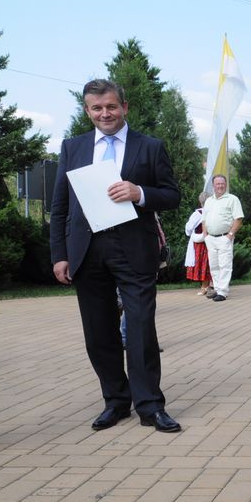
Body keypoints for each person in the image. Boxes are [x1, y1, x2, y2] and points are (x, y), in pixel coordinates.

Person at [50, 78, 182, 433]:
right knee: (99, 334)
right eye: (97, 108)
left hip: (134, 250)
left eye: (111, 106)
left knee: (140, 330)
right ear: (87, 111)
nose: (105, 113)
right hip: (86, 251)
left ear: (124, 106)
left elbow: (172, 195)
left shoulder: (150, 147)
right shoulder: (73, 147)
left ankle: (150, 406)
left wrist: (140, 193)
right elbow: (59, 206)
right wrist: (59, 255)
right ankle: (116, 401)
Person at [202, 174, 244, 302]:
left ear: (225, 185)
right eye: (217, 184)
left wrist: (230, 235)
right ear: (213, 186)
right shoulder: (208, 201)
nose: (220, 186)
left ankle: (223, 292)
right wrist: (205, 236)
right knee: (214, 266)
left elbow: (238, 218)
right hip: (210, 239)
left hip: (224, 237)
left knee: (224, 265)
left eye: (222, 183)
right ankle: (217, 289)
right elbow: (204, 220)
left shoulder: (232, 199)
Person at [184, 191, 212, 295]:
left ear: (200, 202)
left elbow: (188, 228)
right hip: (210, 241)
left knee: (204, 264)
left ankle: (205, 286)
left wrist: (191, 234)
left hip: (200, 243)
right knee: (209, 264)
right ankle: (208, 285)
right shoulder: (212, 212)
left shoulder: (197, 214)